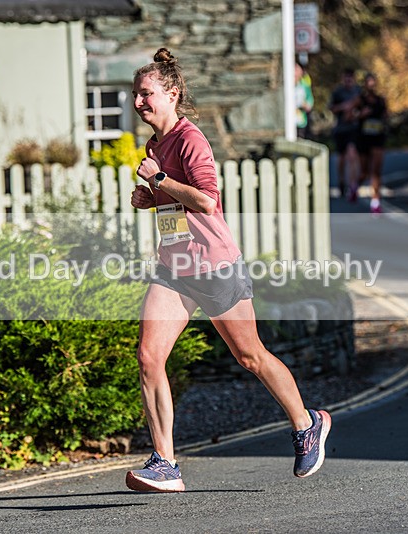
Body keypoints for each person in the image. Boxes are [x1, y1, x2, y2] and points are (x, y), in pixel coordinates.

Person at [126, 47, 331, 493]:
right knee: (149, 356)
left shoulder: (190, 140)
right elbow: (176, 205)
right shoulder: (154, 145)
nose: (138, 102)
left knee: (249, 356)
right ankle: (165, 463)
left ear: (171, 94)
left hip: (215, 266)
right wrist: (151, 200)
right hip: (174, 266)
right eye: (136, 95)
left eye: (146, 94)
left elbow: (206, 201)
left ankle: (307, 422)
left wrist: (158, 180)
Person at [356, 73, 388, 215]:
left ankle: (375, 201)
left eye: (373, 83)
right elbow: (349, 116)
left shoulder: (381, 100)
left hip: (378, 137)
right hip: (363, 138)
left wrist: (384, 124)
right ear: (364, 84)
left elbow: (386, 116)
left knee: (376, 171)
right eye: (368, 83)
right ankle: (355, 186)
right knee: (364, 172)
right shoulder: (359, 100)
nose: (371, 86)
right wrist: (360, 114)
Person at [329, 68, 361, 200]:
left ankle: (352, 184)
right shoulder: (338, 92)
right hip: (341, 129)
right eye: (346, 78)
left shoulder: (358, 92)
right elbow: (332, 108)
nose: (348, 80)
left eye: (350, 78)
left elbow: (363, 107)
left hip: (353, 129)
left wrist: (355, 113)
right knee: (341, 158)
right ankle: (341, 181)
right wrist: (344, 106)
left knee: (352, 156)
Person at [295, 62, 314, 139]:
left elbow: (309, 104)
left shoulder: (304, 86)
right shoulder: (283, 86)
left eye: (297, 70)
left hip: (300, 122)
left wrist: (301, 104)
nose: (294, 73)